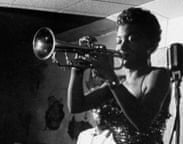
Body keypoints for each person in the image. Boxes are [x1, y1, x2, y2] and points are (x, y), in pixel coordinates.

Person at [67, 7, 171, 144]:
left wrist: (110, 76)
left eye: (131, 39)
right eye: (119, 41)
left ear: (150, 45)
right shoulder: (118, 83)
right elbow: (76, 106)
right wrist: (77, 70)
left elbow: (143, 122)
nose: (122, 47)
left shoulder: (158, 75)